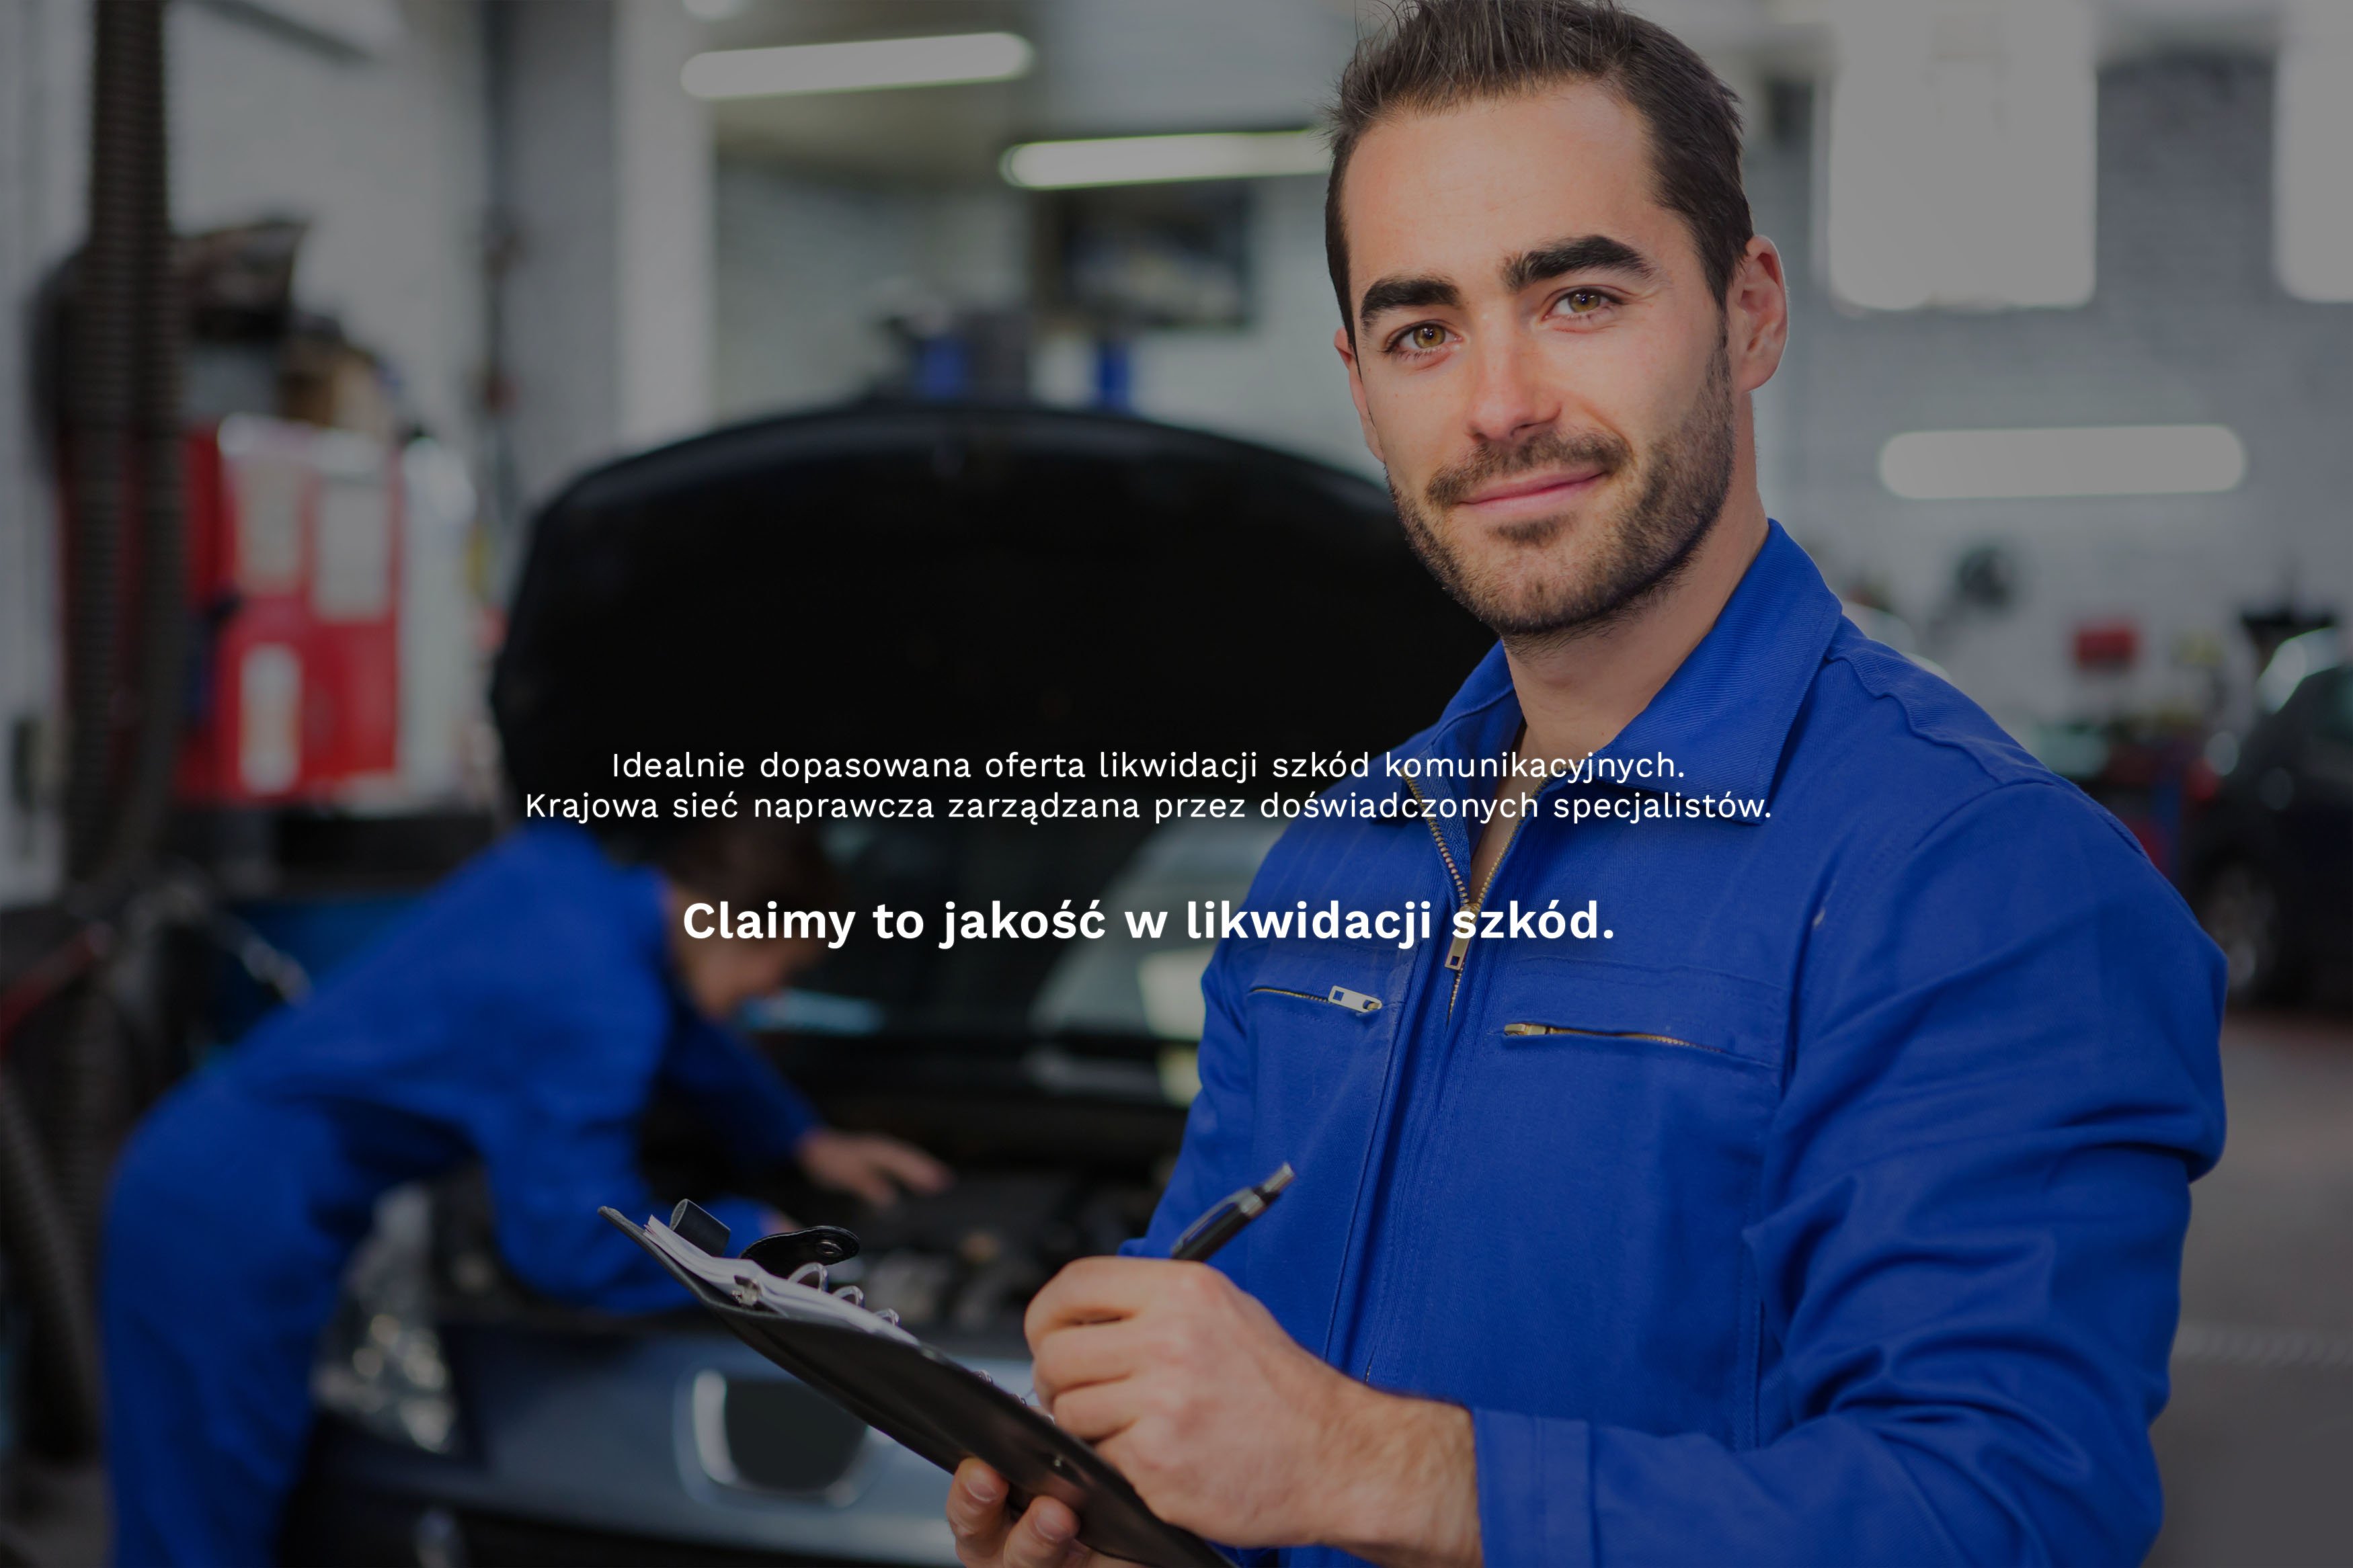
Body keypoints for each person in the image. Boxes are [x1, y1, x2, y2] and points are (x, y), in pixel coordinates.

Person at [948, 3, 2226, 1565]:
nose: (1497, 406)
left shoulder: (1985, 885)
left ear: (1749, 312)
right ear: (1361, 384)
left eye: (1575, 297)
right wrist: (1127, 1511)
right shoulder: (1332, 867)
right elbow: (1232, 1393)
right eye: (1423, 331)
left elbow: (2004, 1511)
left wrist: (1374, 1467)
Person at [103, 818, 947, 1566]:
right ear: (732, 917)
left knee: (189, 1500)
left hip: (201, 1166)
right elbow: (566, 1248)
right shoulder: (599, 1007)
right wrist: (748, 1244)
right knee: (200, 1529)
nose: (771, 994)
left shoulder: (564, 873)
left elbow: (684, 1021)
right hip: (234, 1220)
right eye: (777, 964)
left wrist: (802, 1137)